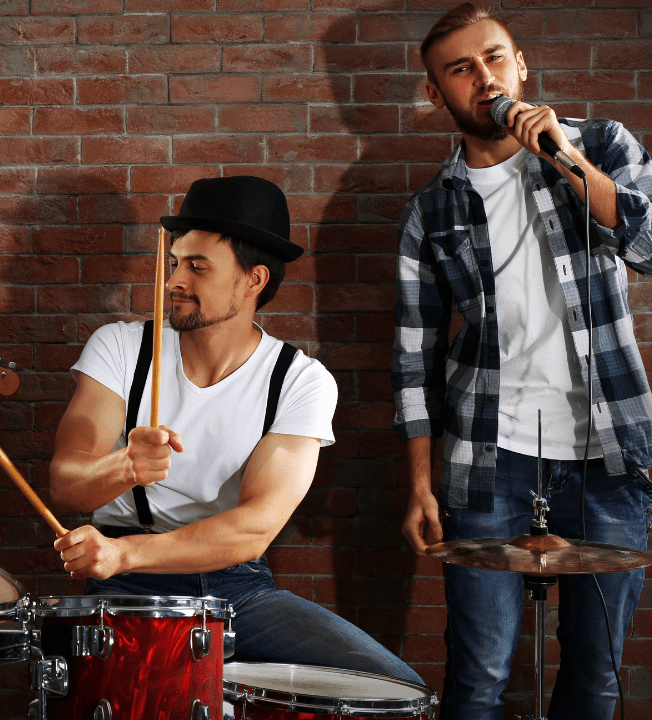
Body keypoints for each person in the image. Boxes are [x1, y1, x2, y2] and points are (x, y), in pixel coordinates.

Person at [392, 4, 652, 719]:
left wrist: (569, 158)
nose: (483, 78)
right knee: (479, 678)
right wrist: (421, 487)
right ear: (437, 95)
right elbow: (413, 360)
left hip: (607, 461)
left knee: (597, 678)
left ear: (520, 64)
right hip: (487, 464)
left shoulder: (602, 144)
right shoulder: (432, 209)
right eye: (460, 69)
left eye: (494, 58)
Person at [50, 175, 421, 683]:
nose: (175, 281)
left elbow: (254, 528)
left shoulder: (299, 381)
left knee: (395, 688)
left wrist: (123, 552)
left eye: (198, 267)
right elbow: (67, 483)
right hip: (130, 587)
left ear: (255, 280)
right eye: (176, 263)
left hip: (236, 588)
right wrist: (124, 468)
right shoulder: (121, 348)